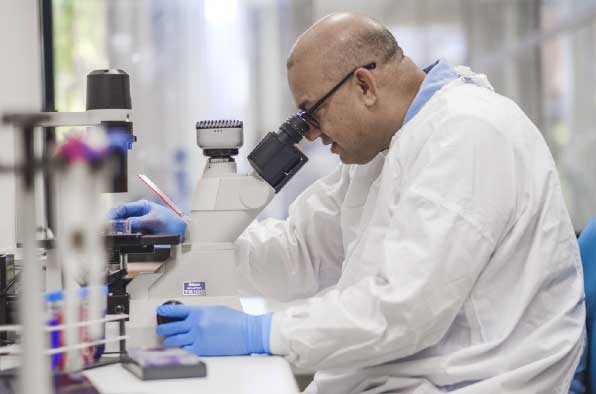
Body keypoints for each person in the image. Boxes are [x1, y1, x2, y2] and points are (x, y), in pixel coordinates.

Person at [112, 13, 586, 393]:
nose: (312, 135)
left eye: (311, 113)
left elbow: (403, 309)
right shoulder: (386, 152)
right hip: (404, 373)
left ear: (364, 85)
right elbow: (301, 251)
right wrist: (198, 237)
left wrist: (261, 334)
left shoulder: (469, 133)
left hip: (476, 379)